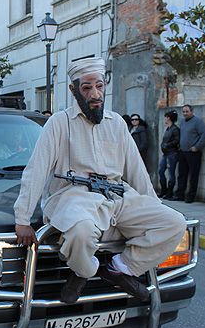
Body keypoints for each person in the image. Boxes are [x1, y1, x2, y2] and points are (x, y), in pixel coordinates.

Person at [13, 57, 186, 305]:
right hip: (73, 197)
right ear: (74, 90)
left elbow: (136, 170)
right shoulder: (59, 123)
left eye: (99, 86)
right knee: (82, 232)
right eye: (86, 88)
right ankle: (85, 272)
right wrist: (22, 219)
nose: (95, 94)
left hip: (118, 196)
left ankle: (120, 269)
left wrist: (153, 205)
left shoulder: (117, 124)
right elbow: (36, 170)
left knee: (173, 222)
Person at [171, 105, 205, 203]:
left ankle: (191, 196)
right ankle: (180, 194)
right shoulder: (182, 122)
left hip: (193, 153)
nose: (185, 113)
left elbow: (204, 135)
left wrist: (197, 147)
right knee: (181, 174)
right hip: (183, 152)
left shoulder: (198, 122)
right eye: (183, 112)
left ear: (192, 111)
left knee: (193, 176)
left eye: (187, 111)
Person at [158, 110, 180, 198]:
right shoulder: (168, 128)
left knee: (171, 173)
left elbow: (176, 141)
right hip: (166, 153)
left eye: (166, 117)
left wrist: (167, 145)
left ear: (169, 118)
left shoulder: (175, 129)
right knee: (161, 171)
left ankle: (169, 192)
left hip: (172, 153)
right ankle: (164, 189)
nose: (165, 119)